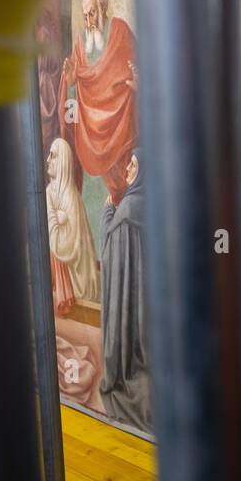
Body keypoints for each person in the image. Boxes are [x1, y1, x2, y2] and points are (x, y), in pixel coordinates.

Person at [58, 0, 138, 206]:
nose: (88, 21)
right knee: (99, 210)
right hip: (90, 141)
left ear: (103, 8)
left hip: (122, 133)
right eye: (84, 15)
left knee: (126, 202)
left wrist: (139, 84)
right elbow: (72, 94)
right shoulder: (80, 43)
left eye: (91, 13)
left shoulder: (120, 31)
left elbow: (143, 71)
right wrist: (72, 82)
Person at [99, 150, 151, 432]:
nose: (127, 170)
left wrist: (108, 211)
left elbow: (109, 256)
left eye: (133, 165)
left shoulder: (128, 209)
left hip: (130, 302)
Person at [46, 137, 100, 313]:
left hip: (77, 277)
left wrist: (53, 219)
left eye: (52, 156)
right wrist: (54, 219)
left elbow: (69, 245)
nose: (47, 160)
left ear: (62, 162)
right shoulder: (48, 191)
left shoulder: (70, 196)